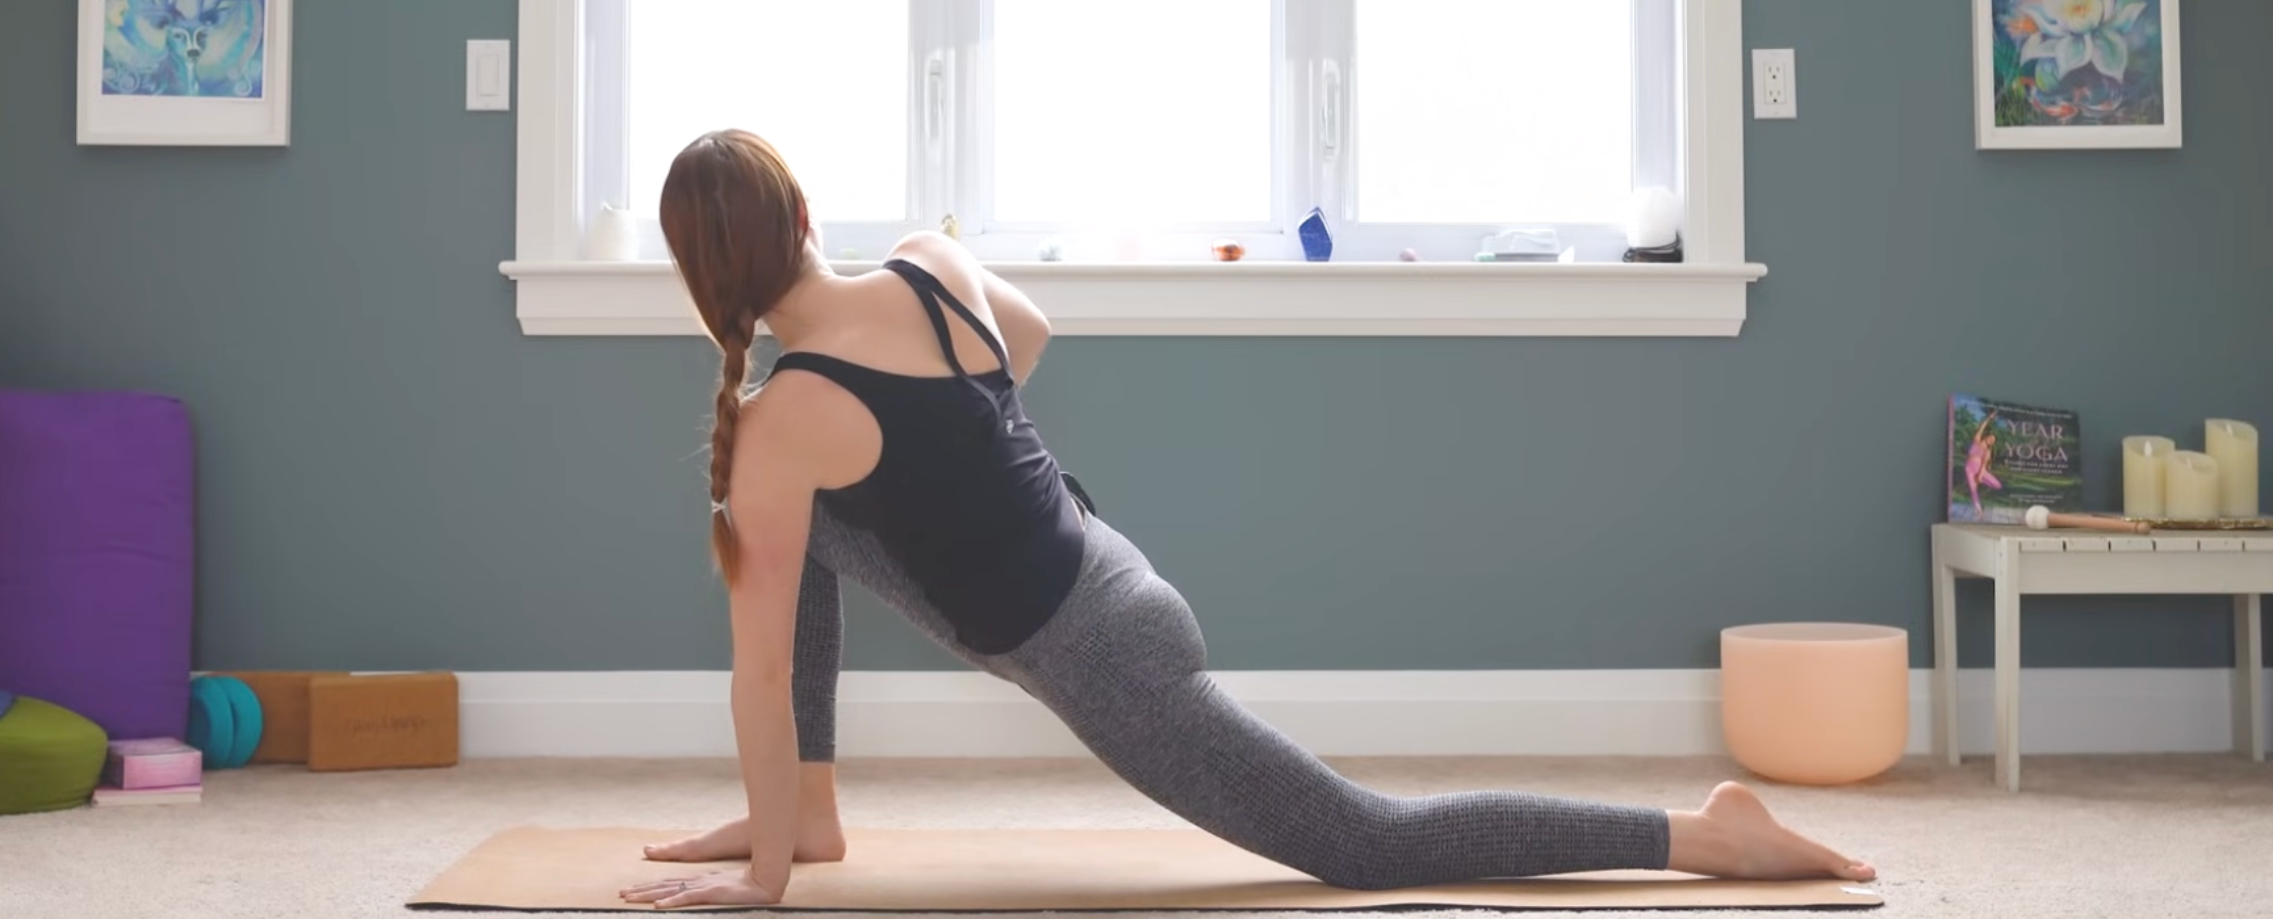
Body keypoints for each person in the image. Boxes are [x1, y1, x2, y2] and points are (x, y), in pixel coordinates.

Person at [619, 130, 1876, 911]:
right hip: (1109, 567)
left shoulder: (783, 421)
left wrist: (760, 882)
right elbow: (1030, 341)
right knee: (804, 529)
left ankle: (1700, 838)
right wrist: (951, 466)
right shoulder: (924, 265)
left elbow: (763, 667)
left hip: (1107, 660)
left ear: (701, 280)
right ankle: (816, 810)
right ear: (798, 218)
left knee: (1365, 845)